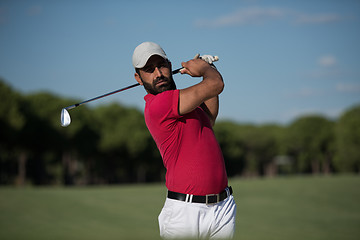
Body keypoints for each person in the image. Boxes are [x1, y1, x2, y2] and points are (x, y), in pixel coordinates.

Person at [132, 42, 236, 239]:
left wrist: (209, 69)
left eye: (161, 66)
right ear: (138, 78)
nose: (158, 74)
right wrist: (204, 69)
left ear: (170, 66)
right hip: (185, 213)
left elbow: (210, 117)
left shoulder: (188, 106)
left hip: (222, 207)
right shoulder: (158, 105)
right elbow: (216, 85)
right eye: (148, 70)